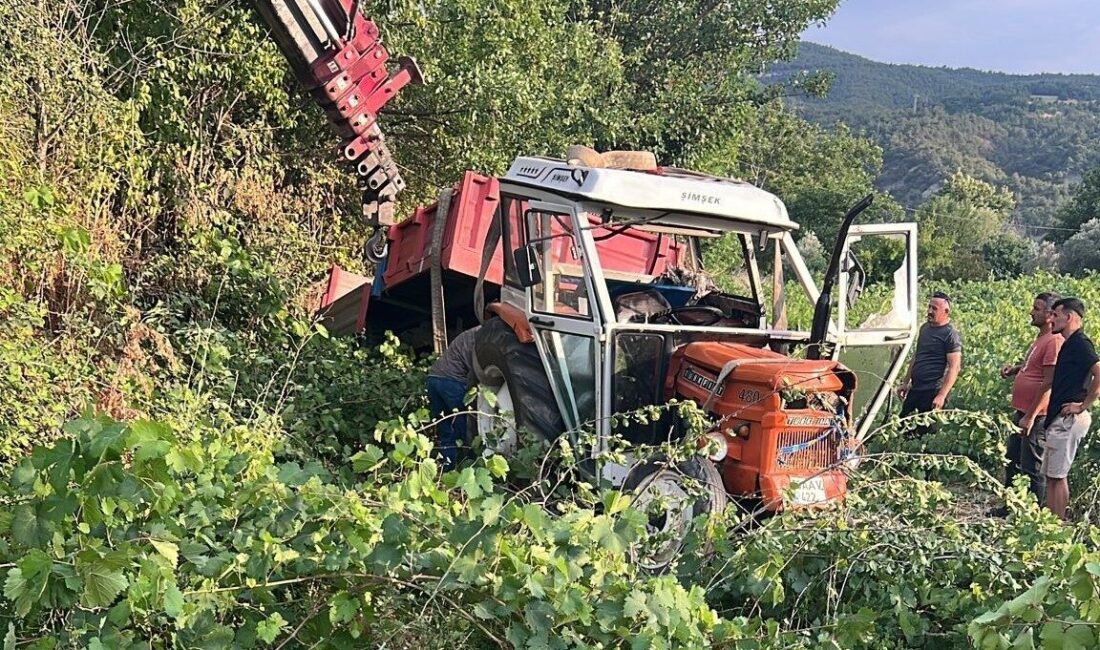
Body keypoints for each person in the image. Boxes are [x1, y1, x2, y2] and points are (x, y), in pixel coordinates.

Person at [999, 292, 1062, 506]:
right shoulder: (1041, 339)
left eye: (1036, 308)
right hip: (1024, 412)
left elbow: (1048, 382)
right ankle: (1010, 506)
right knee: (1013, 460)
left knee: (1032, 466)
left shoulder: (1054, 341)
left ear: (1050, 314)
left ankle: (1033, 513)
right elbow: (1035, 370)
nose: (1031, 312)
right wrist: (1016, 370)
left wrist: (1031, 415)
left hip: (1036, 415)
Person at [1043, 298, 1100, 520]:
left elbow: (1098, 371)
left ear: (1069, 317)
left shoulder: (1080, 343)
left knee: (1058, 476)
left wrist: (1083, 405)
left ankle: (1058, 527)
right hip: (1059, 417)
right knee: (1051, 475)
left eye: (1056, 315)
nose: (1052, 319)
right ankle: (1048, 524)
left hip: (1069, 418)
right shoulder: (1069, 343)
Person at [897, 291, 963, 438]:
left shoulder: (950, 335)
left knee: (925, 433)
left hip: (933, 391)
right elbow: (916, 356)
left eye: (934, 309)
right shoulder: (925, 328)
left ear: (946, 312)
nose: (929, 311)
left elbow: (954, 368)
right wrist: (905, 382)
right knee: (903, 427)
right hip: (916, 389)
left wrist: (941, 395)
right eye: (929, 307)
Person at [426, 325, 480, 469]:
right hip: (451, 382)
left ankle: (448, 467)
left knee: (445, 427)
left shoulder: (470, 333)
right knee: (466, 426)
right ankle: (470, 466)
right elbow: (478, 373)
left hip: (433, 379)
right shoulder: (483, 336)